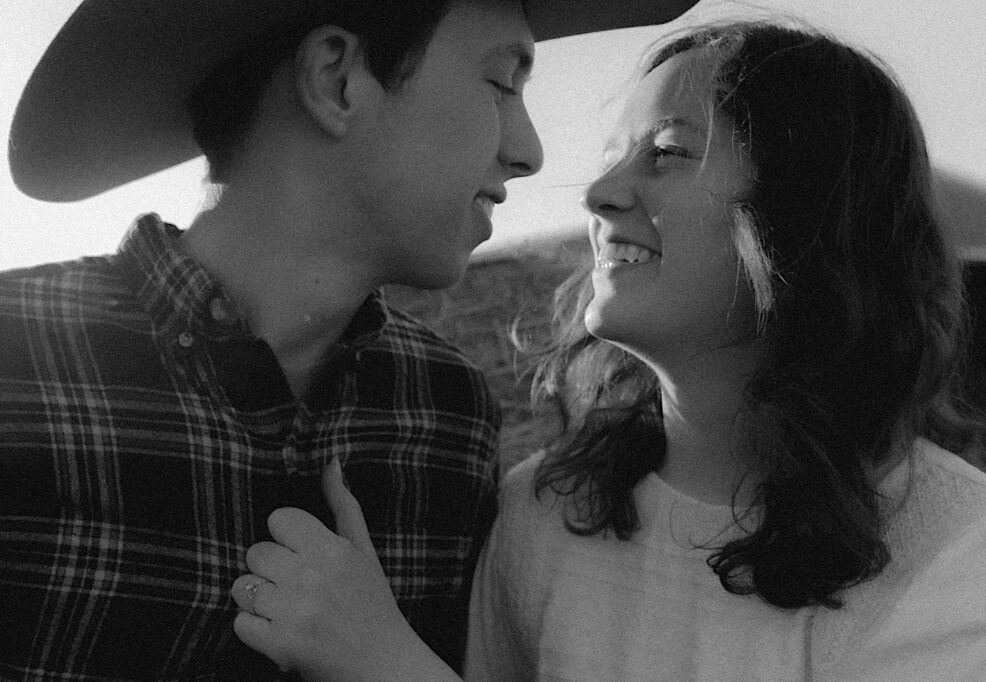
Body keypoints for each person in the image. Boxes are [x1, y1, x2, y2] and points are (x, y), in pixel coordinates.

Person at [229, 19, 986, 681]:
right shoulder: (544, 511)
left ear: (806, 215)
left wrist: (386, 662)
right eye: (616, 153)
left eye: (668, 151)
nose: (599, 192)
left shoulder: (977, 555)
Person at [0, 1, 699, 678]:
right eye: (501, 81)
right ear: (336, 79)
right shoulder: (16, 364)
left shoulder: (446, 415)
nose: (529, 152)